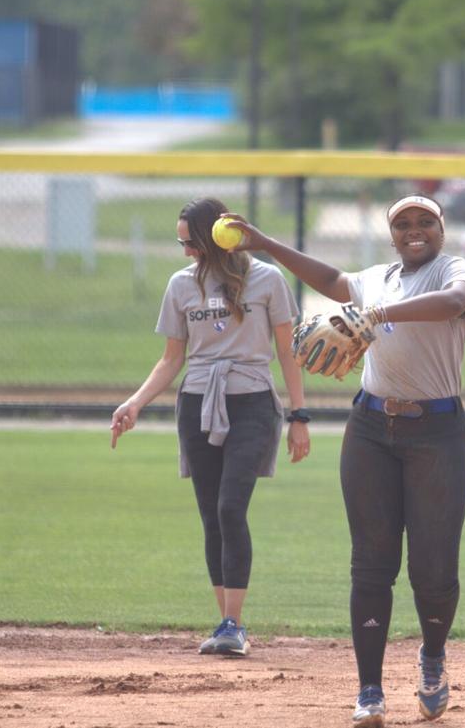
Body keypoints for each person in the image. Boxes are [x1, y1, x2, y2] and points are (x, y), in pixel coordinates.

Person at [226, 194, 465, 726]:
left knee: (433, 570)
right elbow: (333, 279)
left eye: (424, 222)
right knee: (371, 563)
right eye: (403, 224)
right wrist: (264, 243)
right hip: (369, 429)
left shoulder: (453, 269)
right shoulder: (376, 278)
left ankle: (432, 657)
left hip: (437, 432)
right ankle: (370, 690)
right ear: (391, 235)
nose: (414, 231)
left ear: (441, 229)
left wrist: (377, 313)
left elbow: (454, 303)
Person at [110, 197, 311, 658]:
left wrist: (299, 416)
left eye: (190, 242)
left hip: (253, 404)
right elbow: (171, 359)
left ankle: (234, 625)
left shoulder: (267, 279)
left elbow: (287, 354)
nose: (185, 252)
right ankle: (225, 622)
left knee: (229, 506)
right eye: (180, 242)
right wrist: (135, 403)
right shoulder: (181, 286)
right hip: (198, 403)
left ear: (214, 238)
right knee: (210, 514)